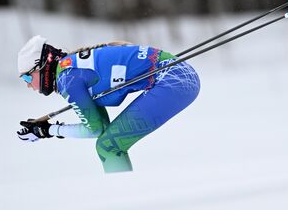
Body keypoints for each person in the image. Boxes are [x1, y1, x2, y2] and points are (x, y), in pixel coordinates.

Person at [16, 35, 200, 173]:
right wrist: (46, 130)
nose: (27, 84)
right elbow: (102, 126)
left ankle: (122, 199)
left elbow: (94, 130)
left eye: (27, 76)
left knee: (108, 147)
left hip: (174, 79)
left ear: (41, 66)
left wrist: (50, 131)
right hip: (179, 74)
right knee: (108, 143)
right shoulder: (70, 67)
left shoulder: (67, 79)